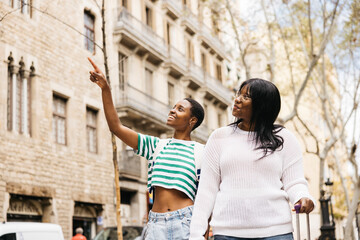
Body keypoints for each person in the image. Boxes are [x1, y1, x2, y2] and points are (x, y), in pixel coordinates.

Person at [88, 58, 205, 240]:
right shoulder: (156, 146)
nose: (172, 111)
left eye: (180, 109)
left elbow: (208, 195)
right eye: (173, 107)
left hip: (185, 222)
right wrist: (105, 89)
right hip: (155, 224)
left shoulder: (201, 151)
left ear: (192, 121)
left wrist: (204, 232)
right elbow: (116, 127)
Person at [189, 78, 315, 240]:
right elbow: (207, 189)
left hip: (276, 232)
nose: (237, 99)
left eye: (246, 97)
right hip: (228, 233)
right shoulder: (219, 137)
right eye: (238, 94)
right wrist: (196, 234)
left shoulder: (284, 138)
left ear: (263, 105)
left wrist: (302, 196)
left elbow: (295, 181)